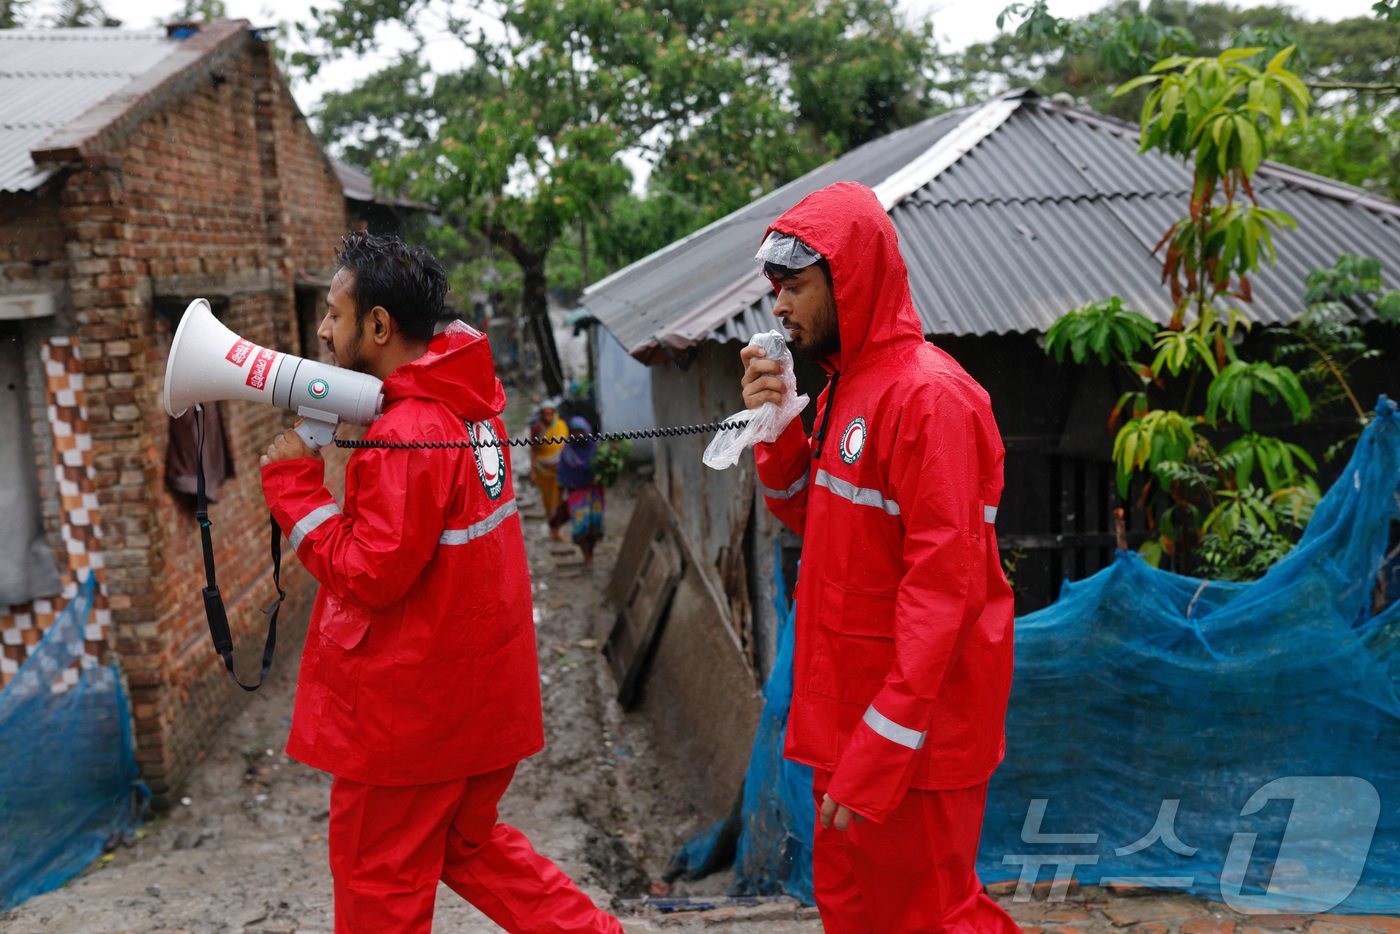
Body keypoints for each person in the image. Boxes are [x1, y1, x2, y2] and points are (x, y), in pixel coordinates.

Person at [259, 231, 622, 934]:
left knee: (377, 885)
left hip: (406, 722)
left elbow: (369, 574)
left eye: (334, 314)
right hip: (474, 708)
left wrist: (293, 484)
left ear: (379, 325)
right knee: (470, 846)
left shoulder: (405, 433)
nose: (324, 331)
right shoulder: (471, 403)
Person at [738, 182, 1020, 933]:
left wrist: (881, 748)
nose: (780, 307)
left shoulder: (932, 399)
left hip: (911, 742)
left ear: (849, 278)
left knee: (934, 917)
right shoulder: (847, 386)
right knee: (856, 912)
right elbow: (812, 514)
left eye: (794, 287)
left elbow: (944, 596)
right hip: (848, 723)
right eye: (777, 289)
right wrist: (775, 422)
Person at [550, 416, 605, 569]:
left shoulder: (596, 450)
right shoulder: (566, 454)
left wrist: (600, 479)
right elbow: (561, 478)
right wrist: (558, 502)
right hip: (576, 494)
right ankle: (586, 557)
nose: (577, 435)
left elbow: (604, 471)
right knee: (581, 528)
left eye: (580, 431)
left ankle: (591, 554)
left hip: (595, 494)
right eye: (574, 432)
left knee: (594, 528)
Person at [531, 399, 569, 540]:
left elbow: (566, 448)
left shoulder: (561, 426)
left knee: (560, 502)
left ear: (554, 413)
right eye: (544, 413)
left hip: (560, 471)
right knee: (549, 503)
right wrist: (533, 470)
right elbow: (533, 450)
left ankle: (557, 528)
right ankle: (553, 530)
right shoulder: (537, 429)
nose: (547, 416)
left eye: (550, 413)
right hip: (543, 472)